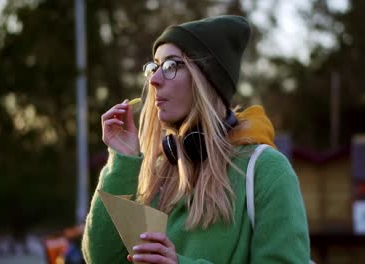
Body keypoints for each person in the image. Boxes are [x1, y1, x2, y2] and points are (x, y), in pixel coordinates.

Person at [82, 15, 310, 263]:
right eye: (154, 67)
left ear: (207, 80)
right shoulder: (155, 173)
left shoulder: (266, 170)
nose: (155, 80)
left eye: (171, 66)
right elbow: (101, 258)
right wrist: (122, 160)